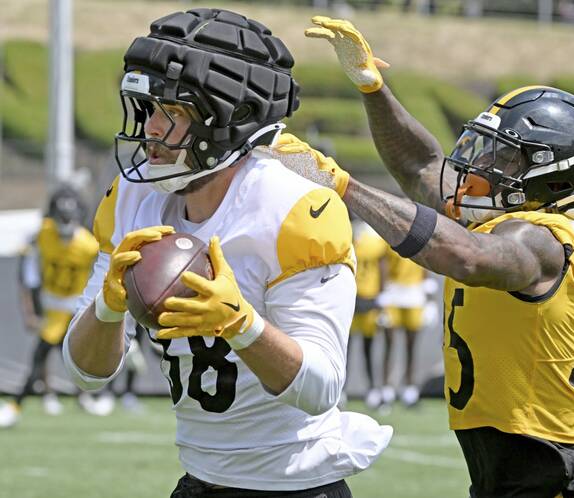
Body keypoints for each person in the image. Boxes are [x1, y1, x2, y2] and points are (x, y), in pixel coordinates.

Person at [267, 16, 574, 498]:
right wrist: (373, 88)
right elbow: (420, 168)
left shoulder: (545, 239)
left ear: (554, 180)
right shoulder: (495, 221)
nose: (480, 167)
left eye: (504, 159)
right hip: (509, 478)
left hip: (558, 480)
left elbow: (468, 258)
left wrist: (344, 186)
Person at [62, 9, 391, 497]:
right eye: (147, 108)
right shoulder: (134, 196)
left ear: (226, 118)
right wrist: (107, 308)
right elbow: (85, 373)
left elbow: (321, 389)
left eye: (170, 112)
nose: (150, 128)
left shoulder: (292, 209)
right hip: (200, 479)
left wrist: (241, 324)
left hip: (297, 485)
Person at [0, 185, 99, 428]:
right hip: (53, 308)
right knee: (40, 358)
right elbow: (29, 268)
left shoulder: (88, 245)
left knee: (84, 358)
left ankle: (89, 396)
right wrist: (32, 306)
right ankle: (19, 404)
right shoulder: (42, 235)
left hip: (78, 309)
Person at [378, 248, 426, 408]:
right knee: (389, 343)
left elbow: (428, 259)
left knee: (411, 346)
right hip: (393, 291)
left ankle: (410, 391)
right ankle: (386, 391)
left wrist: (429, 295)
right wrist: (382, 292)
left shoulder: (421, 232)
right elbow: (382, 262)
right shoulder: (390, 237)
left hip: (414, 291)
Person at [349, 218, 387, 409]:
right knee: (348, 349)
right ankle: (341, 390)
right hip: (353, 297)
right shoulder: (348, 238)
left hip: (367, 297)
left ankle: (372, 389)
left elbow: (382, 269)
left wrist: (382, 298)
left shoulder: (371, 241)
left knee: (368, 348)